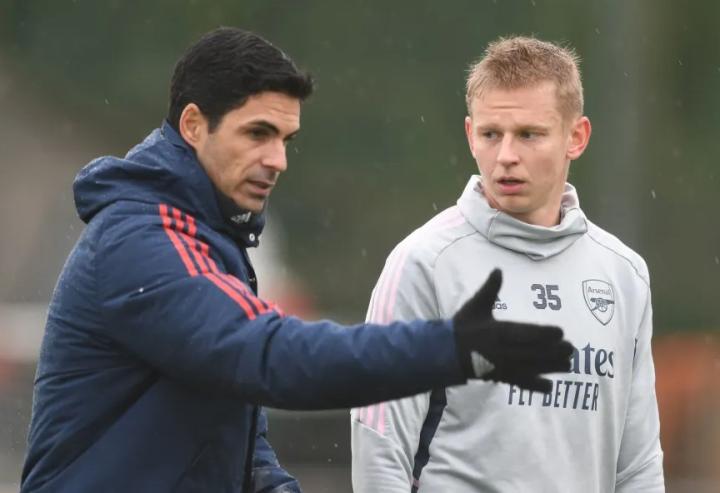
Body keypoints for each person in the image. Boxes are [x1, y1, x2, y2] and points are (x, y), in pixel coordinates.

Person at [20, 28, 574, 493]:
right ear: (193, 126)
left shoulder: (209, 236)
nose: (277, 159)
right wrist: (448, 347)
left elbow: (230, 423)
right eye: (257, 133)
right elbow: (271, 357)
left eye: (285, 138)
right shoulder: (142, 241)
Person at [351, 36, 665, 492]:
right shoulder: (425, 263)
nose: (506, 156)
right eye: (491, 134)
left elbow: (638, 466)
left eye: (529, 134)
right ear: (469, 135)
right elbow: (380, 445)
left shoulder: (623, 274)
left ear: (576, 137)